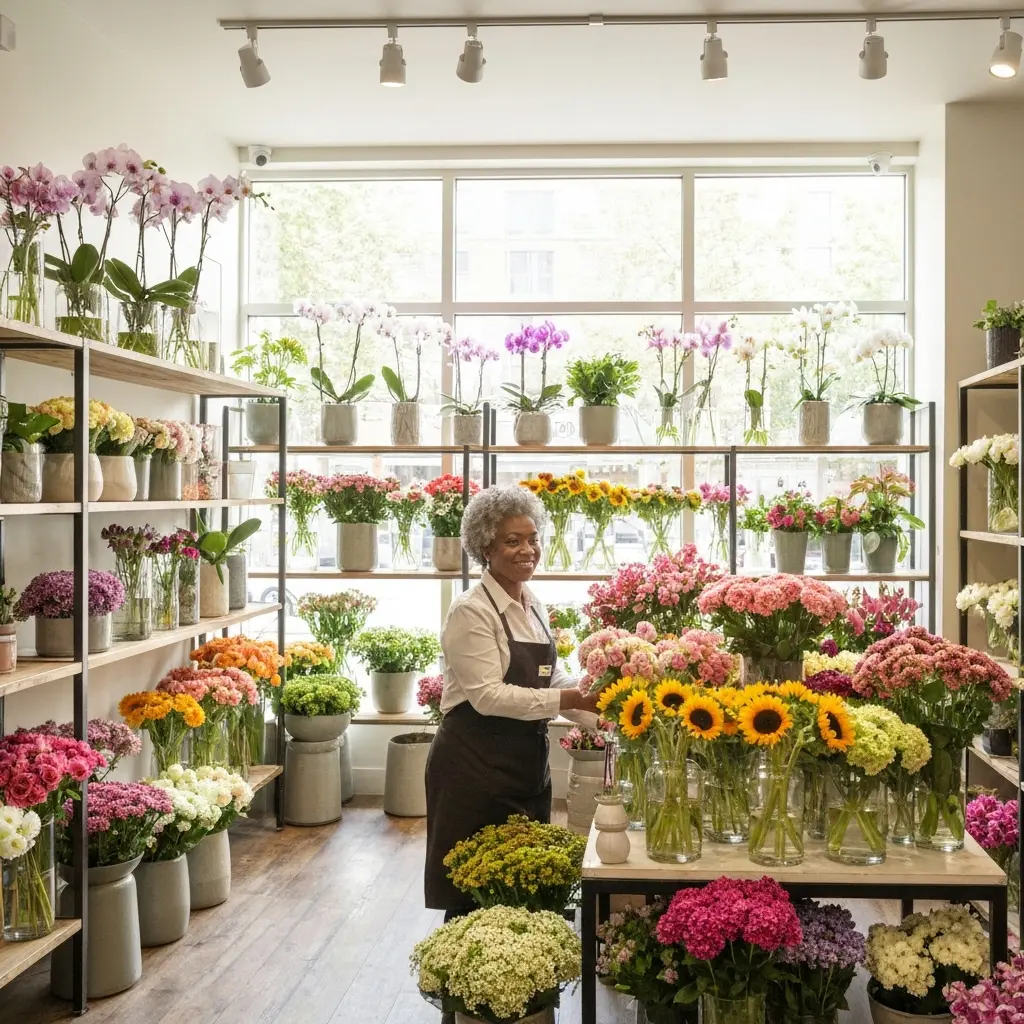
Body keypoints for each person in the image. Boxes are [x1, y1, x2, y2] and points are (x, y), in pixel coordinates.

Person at [424, 485, 600, 915]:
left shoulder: (532, 603)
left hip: (524, 767)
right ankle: (467, 978)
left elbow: (549, 675)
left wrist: (599, 711)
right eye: (513, 541)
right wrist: (569, 698)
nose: (529, 550)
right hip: (473, 770)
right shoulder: (471, 611)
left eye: (533, 538)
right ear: (485, 547)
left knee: (524, 884)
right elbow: (487, 696)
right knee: (475, 891)